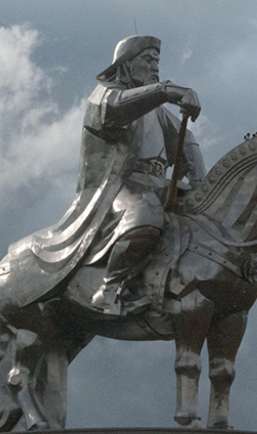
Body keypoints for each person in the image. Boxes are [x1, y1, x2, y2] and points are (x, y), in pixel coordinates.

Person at [79, 35, 203, 315]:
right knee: (145, 215)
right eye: (148, 61)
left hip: (159, 183)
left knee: (204, 219)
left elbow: (187, 142)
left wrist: (200, 184)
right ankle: (109, 289)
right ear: (125, 65)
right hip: (120, 186)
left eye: (157, 62)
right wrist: (166, 90)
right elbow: (116, 110)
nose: (155, 67)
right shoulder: (104, 96)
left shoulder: (156, 112)